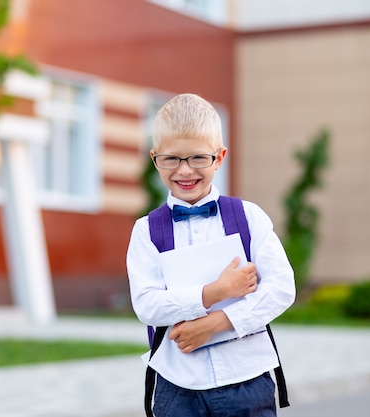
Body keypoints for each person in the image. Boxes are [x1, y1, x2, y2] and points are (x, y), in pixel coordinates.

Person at [126, 93, 296, 416]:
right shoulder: (146, 231)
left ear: (219, 157)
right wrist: (214, 293)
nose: (184, 170)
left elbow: (282, 288)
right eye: (171, 159)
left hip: (247, 378)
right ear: (154, 158)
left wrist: (218, 322)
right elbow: (147, 304)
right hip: (177, 386)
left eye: (197, 158)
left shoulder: (248, 217)